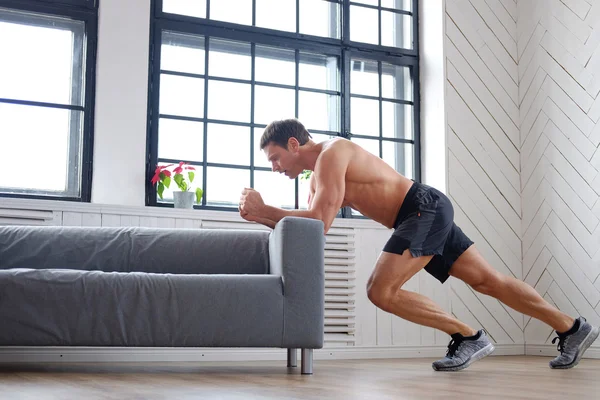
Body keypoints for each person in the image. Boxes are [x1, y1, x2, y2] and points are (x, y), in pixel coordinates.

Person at [238, 118, 599, 371]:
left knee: (381, 291)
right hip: (421, 212)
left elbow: (319, 221)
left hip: (421, 207)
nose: (274, 168)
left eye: (274, 159)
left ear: (293, 144)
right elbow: (316, 228)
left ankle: (468, 336)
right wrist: (260, 216)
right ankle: (571, 327)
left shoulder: (333, 153)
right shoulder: (316, 182)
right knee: (487, 280)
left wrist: (264, 208)